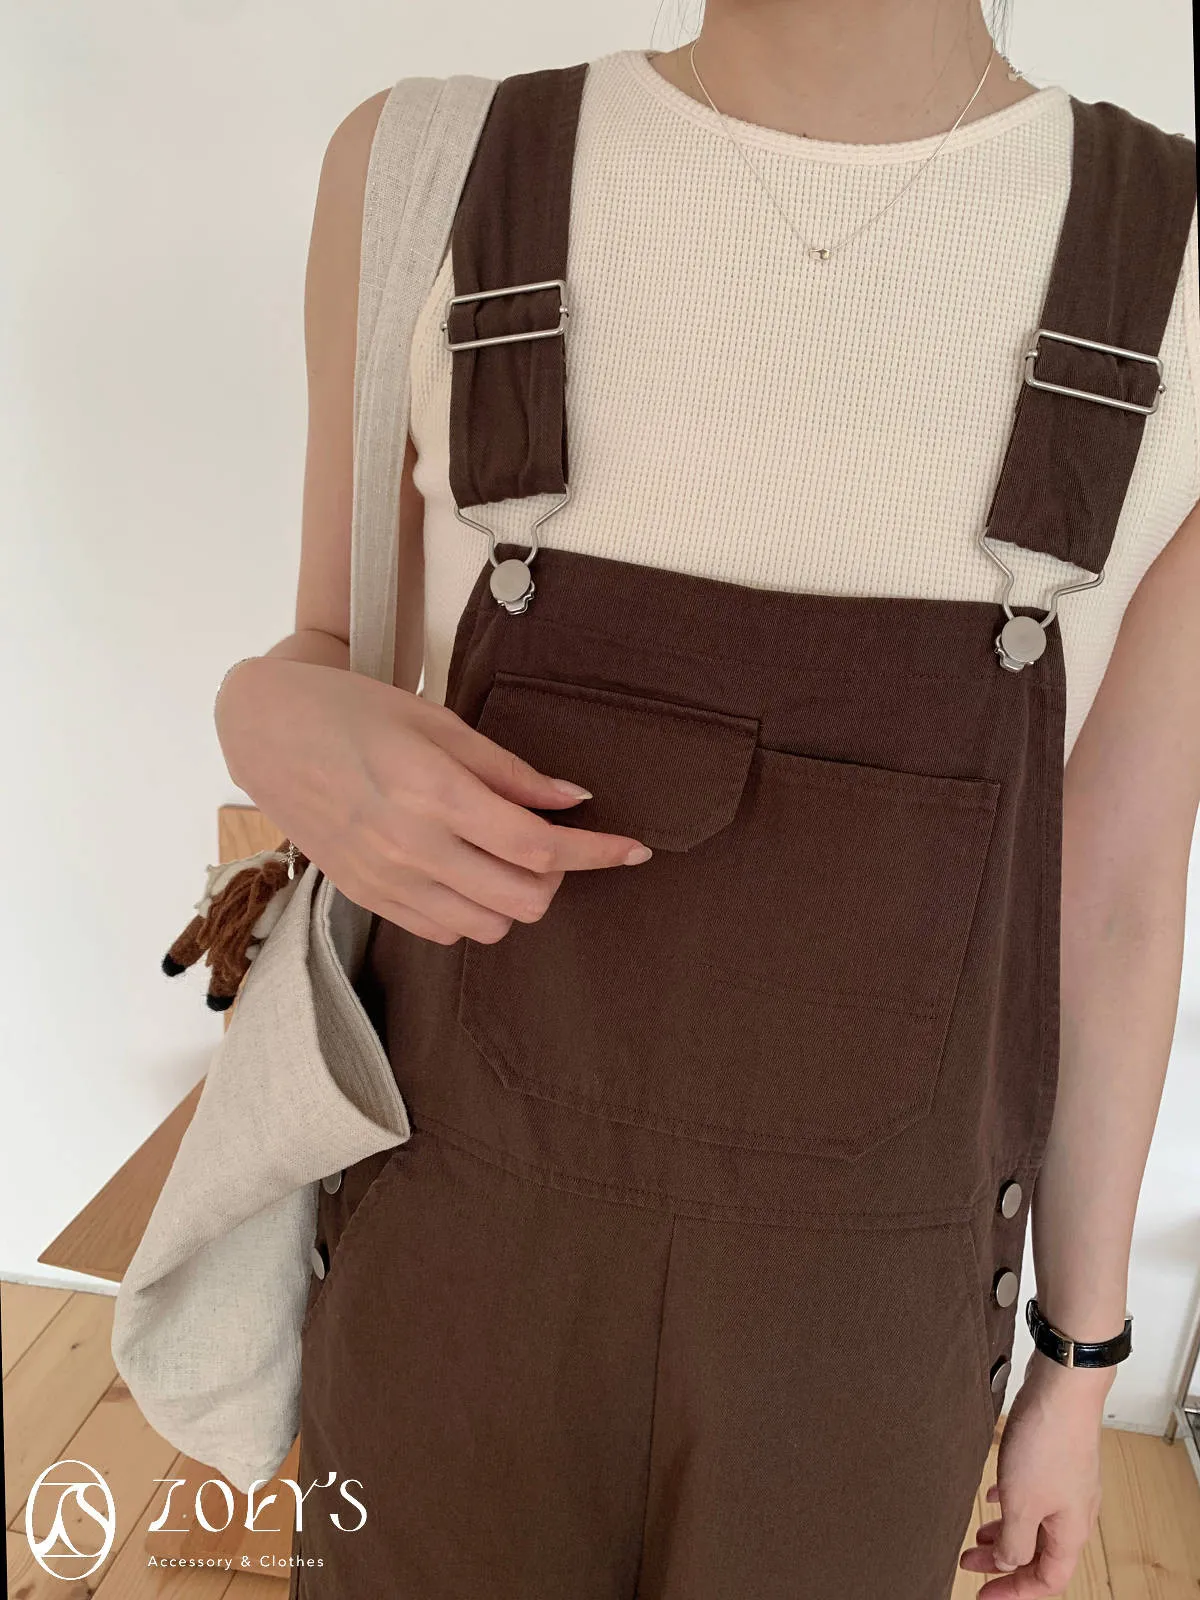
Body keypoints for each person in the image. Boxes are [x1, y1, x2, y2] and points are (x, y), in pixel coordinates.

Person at [214, 3, 1200, 1596]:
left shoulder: (1177, 251)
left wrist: (1079, 1368)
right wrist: (261, 709)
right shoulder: (428, 165)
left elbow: (1121, 893)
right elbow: (335, 654)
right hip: (444, 1269)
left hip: (867, 1349)